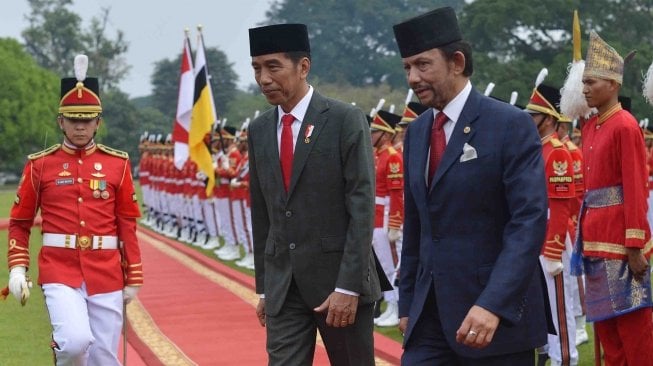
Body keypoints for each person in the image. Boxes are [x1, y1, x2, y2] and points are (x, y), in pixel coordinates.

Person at [392, 7, 549, 364]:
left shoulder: (509, 125)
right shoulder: (416, 133)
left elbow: (527, 222)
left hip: (494, 320)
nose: (413, 78)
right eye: (407, 68)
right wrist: (406, 303)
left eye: (423, 64)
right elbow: (417, 225)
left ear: (457, 62)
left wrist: (493, 303)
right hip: (429, 319)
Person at [247, 23, 381, 366]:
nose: (263, 78)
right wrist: (265, 286)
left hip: (338, 283)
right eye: (257, 68)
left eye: (273, 67)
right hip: (284, 286)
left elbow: (361, 207)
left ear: (303, 66)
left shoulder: (344, 120)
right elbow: (262, 212)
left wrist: (348, 287)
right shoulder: (260, 129)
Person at [5, 55, 143, 365]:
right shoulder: (40, 165)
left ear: (98, 122)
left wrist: (133, 276)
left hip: (106, 270)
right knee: (74, 343)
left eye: (87, 119)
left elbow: (127, 224)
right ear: (61, 121)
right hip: (59, 268)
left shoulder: (117, 164)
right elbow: (20, 222)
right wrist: (17, 268)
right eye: (73, 119)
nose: (80, 126)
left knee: (105, 358)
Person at [571, 31, 653, 365]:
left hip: (620, 243)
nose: (585, 88)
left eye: (592, 82)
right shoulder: (590, 127)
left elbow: (636, 187)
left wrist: (634, 244)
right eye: (584, 82)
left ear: (613, 83)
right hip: (593, 241)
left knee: (634, 329)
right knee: (605, 329)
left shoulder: (625, 125)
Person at [524, 81, 578, 366]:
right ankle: (550, 353)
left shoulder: (557, 153)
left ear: (548, 118)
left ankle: (565, 358)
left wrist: (554, 251)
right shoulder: (537, 149)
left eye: (534, 115)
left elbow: (560, 208)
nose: (529, 119)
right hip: (536, 235)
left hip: (552, 238)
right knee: (543, 305)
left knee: (559, 307)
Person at [369, 110, 404, 327]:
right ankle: (389, 305)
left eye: (375, 132)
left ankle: (396, 307)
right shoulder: (379, 155)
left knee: (391, 265)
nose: (371, 135)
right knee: (382, 264)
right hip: (376, 213)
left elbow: (396, 194)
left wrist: (395, 223)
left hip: (386, 216)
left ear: (385, 134)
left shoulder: (391, 156)